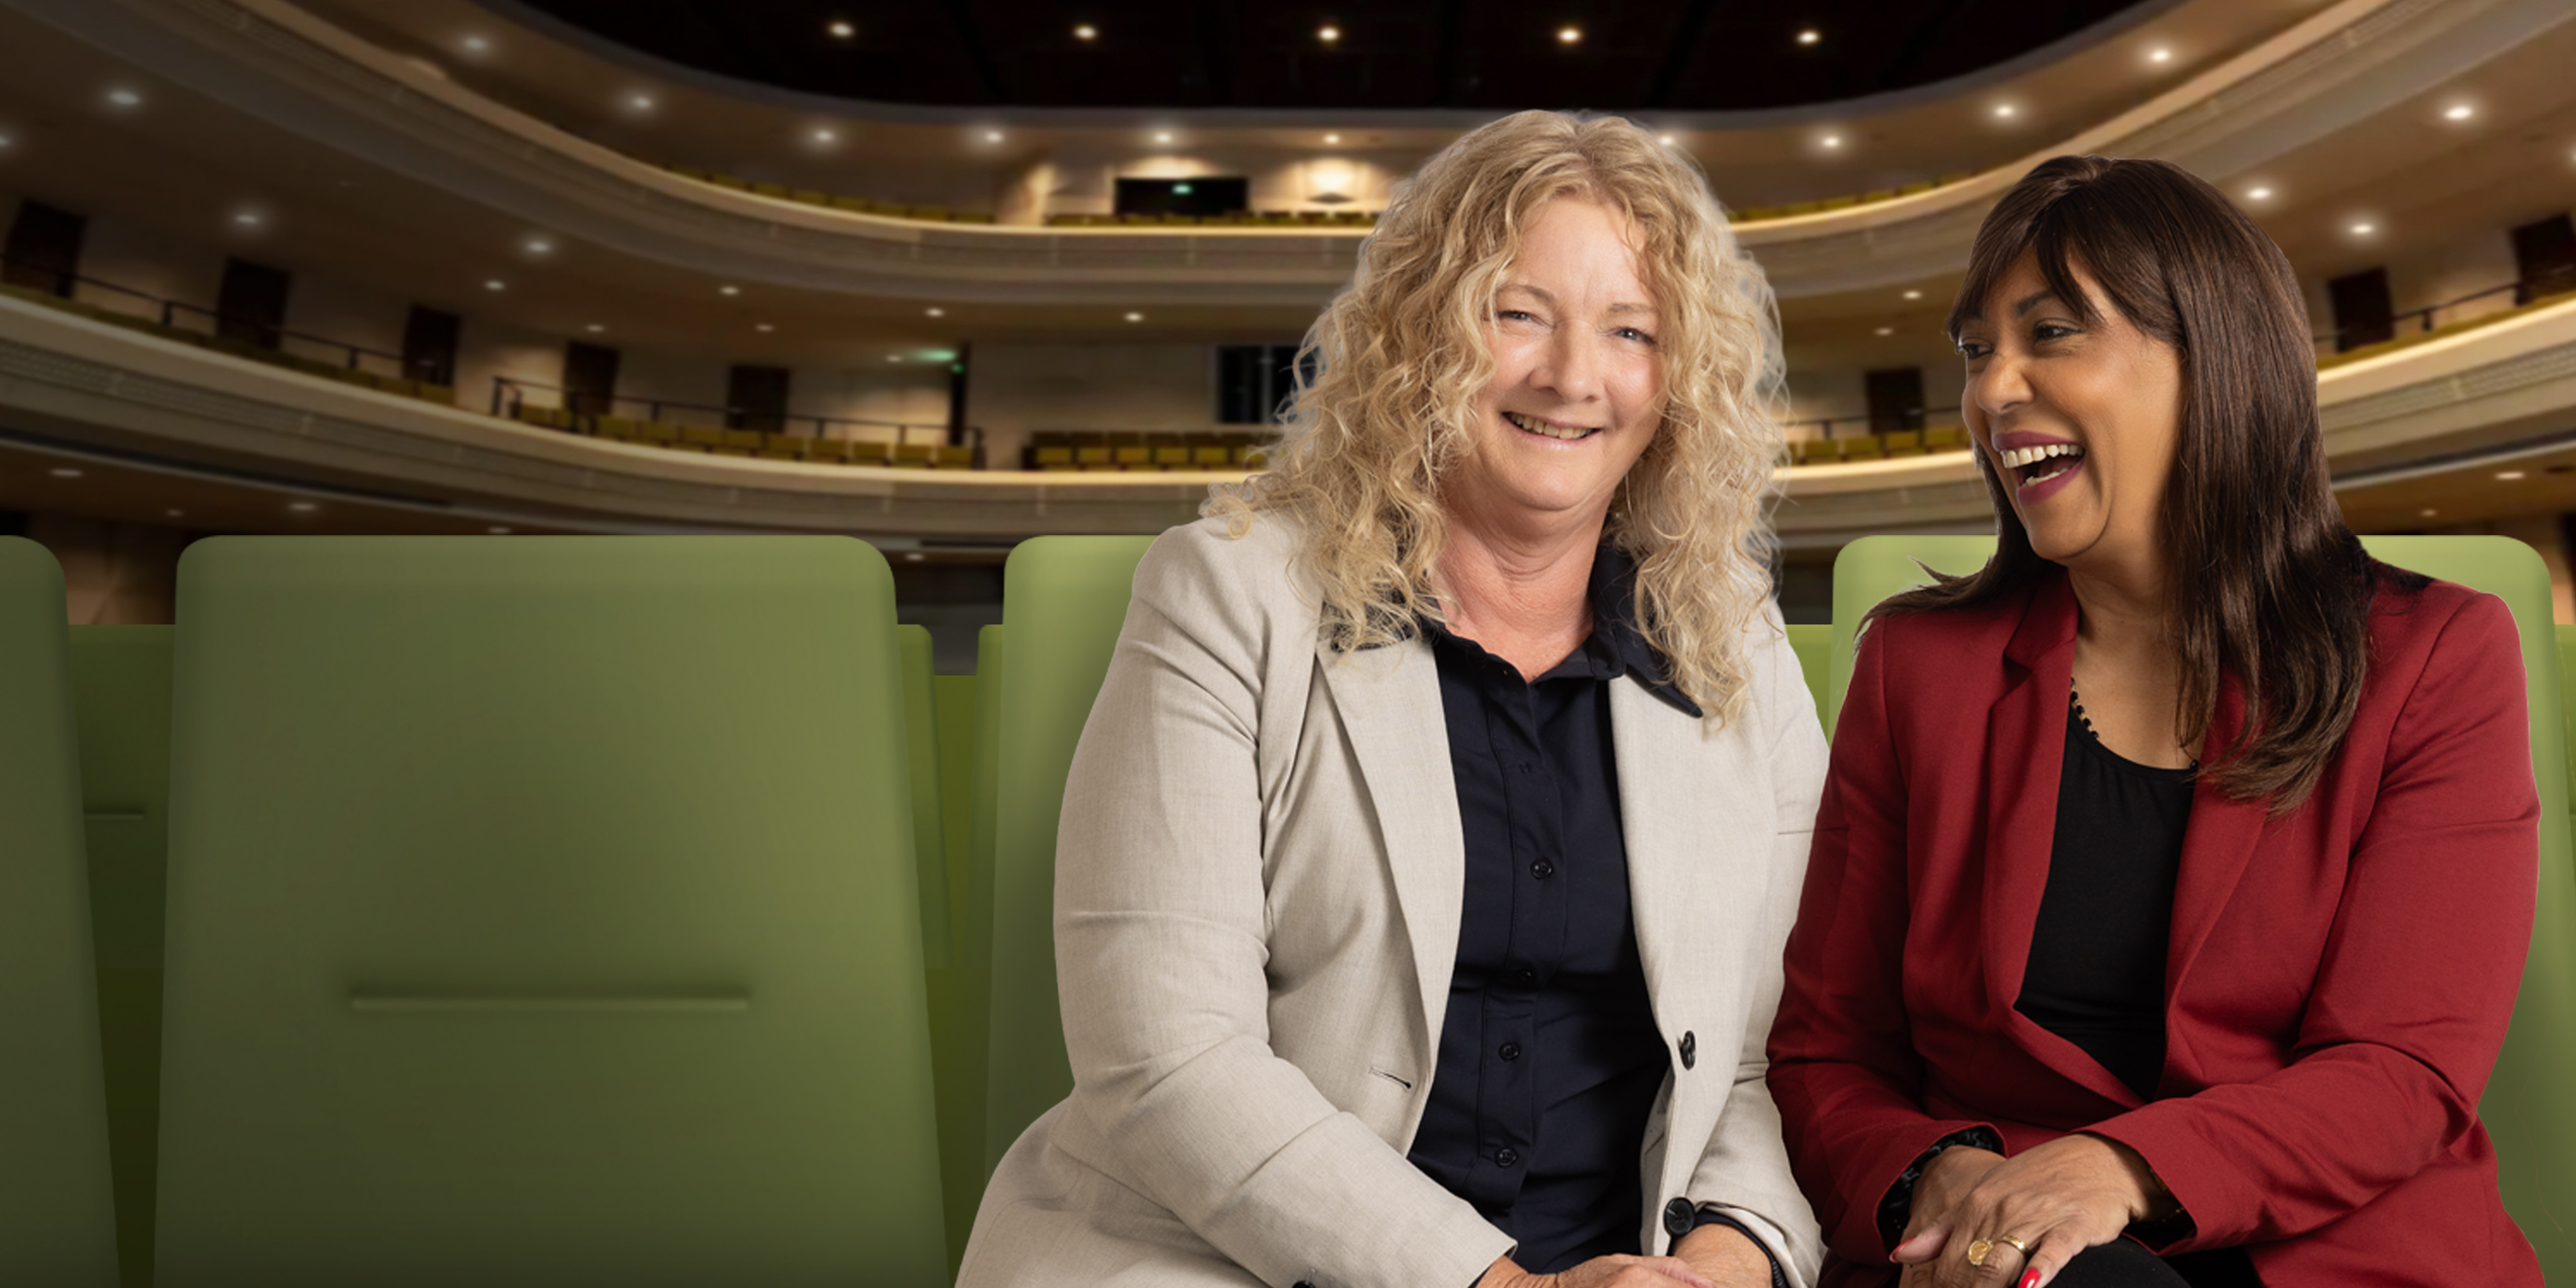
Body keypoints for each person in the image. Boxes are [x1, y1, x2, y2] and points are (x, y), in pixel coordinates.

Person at [955, 110, 1828, 1288]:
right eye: (1518, 313)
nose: (1573, 377)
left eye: (1633, 330)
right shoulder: (1227, 594)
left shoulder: (1739, 646)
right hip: (1227, 1258)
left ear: (1677, 379)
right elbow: (1168, 1057)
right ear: (1424, 334)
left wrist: (1721, 1264)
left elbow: (1768, 1061)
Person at [1766, 153, 2543, 1288]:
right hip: (2004, 1258)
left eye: (2051, 334)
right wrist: (1930, 1171)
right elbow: (1828, 1051)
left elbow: (2402, 1068)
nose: (1991, 392)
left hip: (2332, 1250)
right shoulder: (1914, 669)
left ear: (2215, 360)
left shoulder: (2437, 657)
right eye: (1977, 350)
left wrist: (2120, 1168)